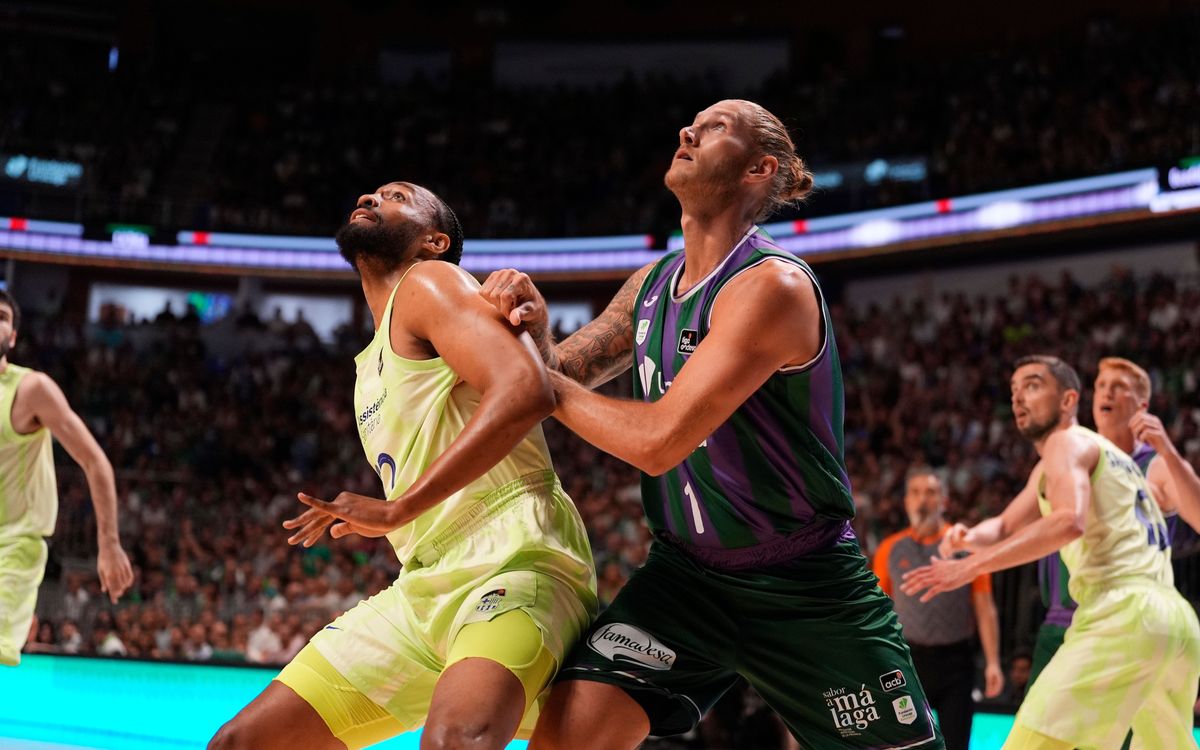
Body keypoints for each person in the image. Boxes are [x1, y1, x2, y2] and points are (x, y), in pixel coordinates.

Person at [482, 99, 942, 749]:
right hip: (684, 582)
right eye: (694, 122)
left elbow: (656, 441)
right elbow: (561, 374)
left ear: (759, 169)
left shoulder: (772, 286)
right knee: (563, 740)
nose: (688, 130)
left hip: (803, 584)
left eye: (717, 126)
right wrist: (534, 332)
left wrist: (536, 378)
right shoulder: (650, 284)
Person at [209, 182, 597, 750]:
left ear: (434, 241)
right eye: (372, 192)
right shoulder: (369, 361)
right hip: (422, 582)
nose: (371, 197)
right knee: (241, 742)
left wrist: (398, 509)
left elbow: (526, 389)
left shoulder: (430, 281)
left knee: (455, 741)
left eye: (396, 196)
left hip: (513, 557)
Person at [904, 355, 1200, 749]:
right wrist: (968, 537)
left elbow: (1068, 522)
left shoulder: (1068, 443)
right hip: (1175, 621)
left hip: (1122, 613)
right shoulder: (1107, 457)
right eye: (1013, 390)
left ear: (1068, 400)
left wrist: (970, 566)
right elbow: (1005, 524)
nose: (1017, 398)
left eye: (1032, 385)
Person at [1030, 356, 1200, 686]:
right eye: (1101, 386)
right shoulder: (1071, 449)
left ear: (1143, 405)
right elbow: (1010, 523)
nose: (1106, 393)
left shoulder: (1156, 464)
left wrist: (1169, 451)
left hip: (1125, 619)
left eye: (1119, 387)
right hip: (1062, 620)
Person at [0, 289, 133, 666]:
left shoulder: (31, 390)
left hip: (12, 546)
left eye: (2, 318)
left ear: (13, 337)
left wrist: (109, 543)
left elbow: (95, 461)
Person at [872, 469, 1003, 750]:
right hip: (908, 662)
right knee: (906, 745)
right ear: (906, 501)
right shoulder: (890, 548)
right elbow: (878, 610)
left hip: (956, 662)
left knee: (956, 743)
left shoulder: (966, 547)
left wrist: (993, 661)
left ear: (944, 501)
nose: (923, 500)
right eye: (916, 492)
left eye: (931, 492)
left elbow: (984, 607)